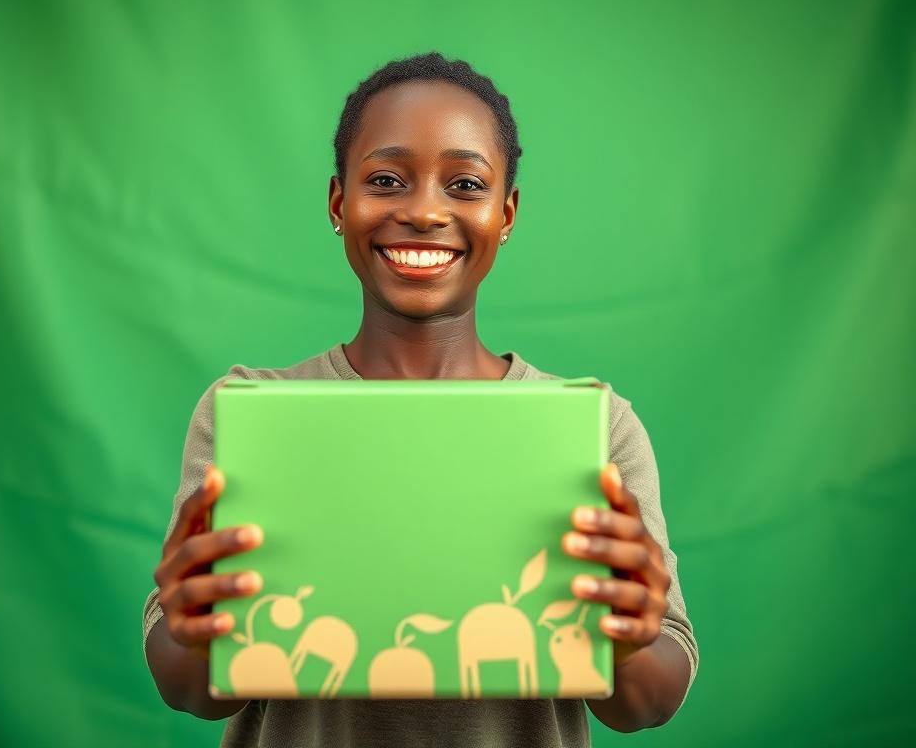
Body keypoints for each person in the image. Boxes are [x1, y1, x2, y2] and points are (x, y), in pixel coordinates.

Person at [144, 52, 698, 747]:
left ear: (507, 213)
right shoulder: (248, 410)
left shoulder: (596, 427)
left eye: (466, 184)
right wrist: (190, 628)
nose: (426, 211)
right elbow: (191, 691)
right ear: (339, 204)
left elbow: (647, 704)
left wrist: (633, 632)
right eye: (385, 180)